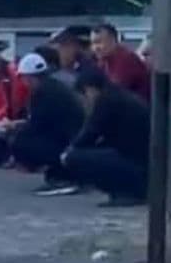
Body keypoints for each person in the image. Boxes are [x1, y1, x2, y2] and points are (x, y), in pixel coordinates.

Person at [61, 66, 150, 207]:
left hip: (136, 164)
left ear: (90, 89)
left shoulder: (106, 101)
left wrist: (68, 152)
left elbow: (90, 133)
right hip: (141, 161)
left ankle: (126, 192)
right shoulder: (117, 96)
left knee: (75, 158)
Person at [9, 53, 86, 195]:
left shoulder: (43, 93)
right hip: (69, 138)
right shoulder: (52, 87)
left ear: (30, 77)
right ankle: (58, 173)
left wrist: (14, 129)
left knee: (21, 143)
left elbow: (36, 125)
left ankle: (63, 175)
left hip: (67, 142)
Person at [91, 23, 150, 101]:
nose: (95, 48)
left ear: (113, 41)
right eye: (93, 43)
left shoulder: (126, 59)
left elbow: (114, 92)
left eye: (98, 42)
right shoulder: (103, 60)